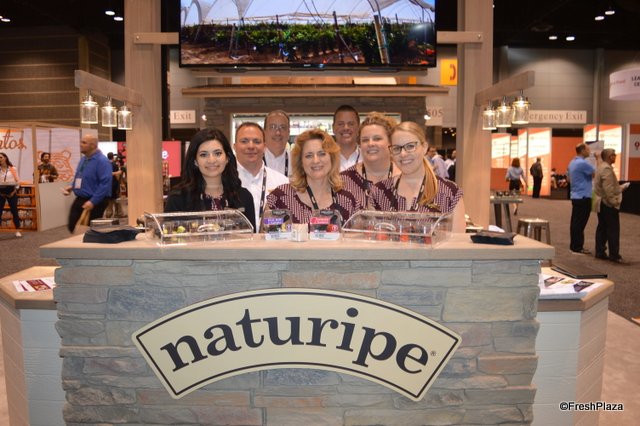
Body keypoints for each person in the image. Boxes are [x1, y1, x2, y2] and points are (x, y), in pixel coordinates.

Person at [370, 121, 465, 231]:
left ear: (424, 147)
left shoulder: (450, 193)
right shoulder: (379, 192)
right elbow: (370, 238)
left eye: (410, 146)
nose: (403, 154)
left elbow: (457, 240)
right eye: (396, 148)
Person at [165, 128, 256, 231]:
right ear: (195, 161)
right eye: (203, 155)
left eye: (218, 153)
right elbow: (170, 237)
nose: (211, 160)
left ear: (227, 158)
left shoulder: (243, 197)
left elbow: (251, 238)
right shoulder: (178, 198)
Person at [267, 129, 361, 224]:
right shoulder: (280, 197)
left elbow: (357, 233)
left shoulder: (349, 201)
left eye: (322, 154)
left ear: (332, 158)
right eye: (309, 156)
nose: (315, 161)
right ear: (300, 162)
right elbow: (265, 231)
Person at [234, 122, 289, 230]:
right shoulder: (224, 181)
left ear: (264, 146)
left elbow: (289, 223)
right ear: (235, 147)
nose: (251, 146)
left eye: (257, 141)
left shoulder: (282, 183)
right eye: (244, 141)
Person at [341, 112, 400, 209]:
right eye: (365, 140)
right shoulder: (344, 181)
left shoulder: (403, 177)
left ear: (391, 142)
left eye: (377, 139)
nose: (370, 144)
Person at [63, 134, 113, 232]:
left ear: (92, 145)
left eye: (84, 142)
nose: (80, 144)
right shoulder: (84, 159)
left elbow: (105, 184)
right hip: (81, 198)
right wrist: (72, 186)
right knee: (72, 225)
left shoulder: (102, 161)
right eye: (81, 142)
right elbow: (80, 176)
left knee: (89, 230)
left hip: (96, 200)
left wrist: (93, 201)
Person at [594, 149, 626, 263]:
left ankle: (600, 251)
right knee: (613, 229)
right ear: (609, 157)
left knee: (602, 227)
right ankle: (614, 254)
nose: (615, 156)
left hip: (601, 202)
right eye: (613, 154)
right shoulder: (606, 169)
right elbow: (608, 189)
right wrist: (614, 202)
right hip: (607, 203)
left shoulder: (601, 167)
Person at [567, 143, 595, 254]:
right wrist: (598, 159)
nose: (589, 151)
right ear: (582, 150)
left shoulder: (572, 162)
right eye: (588, 149)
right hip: (584, 196)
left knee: (575, 222)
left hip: (576, 195)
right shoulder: (583, 163)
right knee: (580, 223)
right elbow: (595, 172)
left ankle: (574, 245)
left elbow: (568, 178)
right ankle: (578, 246)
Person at [263, 110, 292, 176]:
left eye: (282, 127)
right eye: (272, 127)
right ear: (264, 132)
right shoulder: (254, 160)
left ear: (288, 133)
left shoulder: (298, 163)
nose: (278, 133)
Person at [0, 152, 22, 237]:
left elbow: (18, 181)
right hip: (0, 193)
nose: (0, 159)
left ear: (5, 158)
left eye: (1, 157)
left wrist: (14, 191)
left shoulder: (13, 168)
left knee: (14, 211)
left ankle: (17, 230)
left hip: (12, 192)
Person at [332, 105, 361, 171]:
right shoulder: (325, 159)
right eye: (340, 124)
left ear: (358, 128)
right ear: (333, 128)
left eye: (351, 124)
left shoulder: (368, 158)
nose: (346, 128)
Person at [104, 152, 124, 218]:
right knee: (117, 199)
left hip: (107, 185)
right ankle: (118, 213)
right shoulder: (114, 165)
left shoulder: (105, 164)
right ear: (113, 157)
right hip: (114, 184)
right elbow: (117, 176)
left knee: (109, 201)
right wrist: (120, 182)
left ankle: (108, 214)